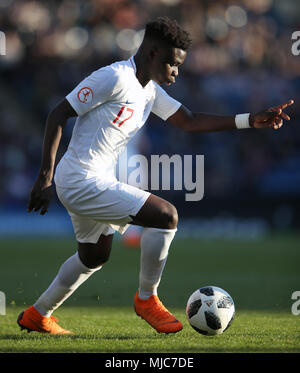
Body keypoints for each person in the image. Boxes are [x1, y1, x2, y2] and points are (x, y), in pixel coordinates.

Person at [17, 17, 294, 335]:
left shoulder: (149, 90)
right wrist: (44, 177)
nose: (176, 72)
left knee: (94, 256)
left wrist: (249, 120)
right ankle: (146, 298)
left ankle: (38, 315)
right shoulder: (113, 77)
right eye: (173, 64)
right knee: (166, 215)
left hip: (94, 180)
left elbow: (188, 121)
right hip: (79, 180)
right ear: (152, 53)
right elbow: (58, 113)